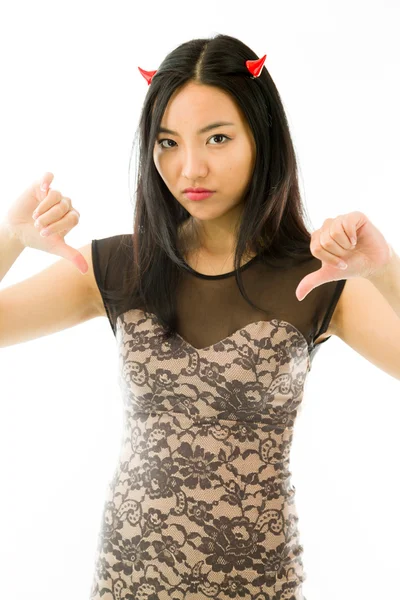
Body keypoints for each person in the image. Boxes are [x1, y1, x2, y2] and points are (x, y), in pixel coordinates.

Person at [1, 33, 398, 600]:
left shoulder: (316, 278)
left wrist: (385, 270)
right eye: (167, 141)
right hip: (127, 582)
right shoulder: (118, 266)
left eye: (217, 137)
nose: (189, 167)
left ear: (262, 137)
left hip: (259, 585)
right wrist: (11, 237)